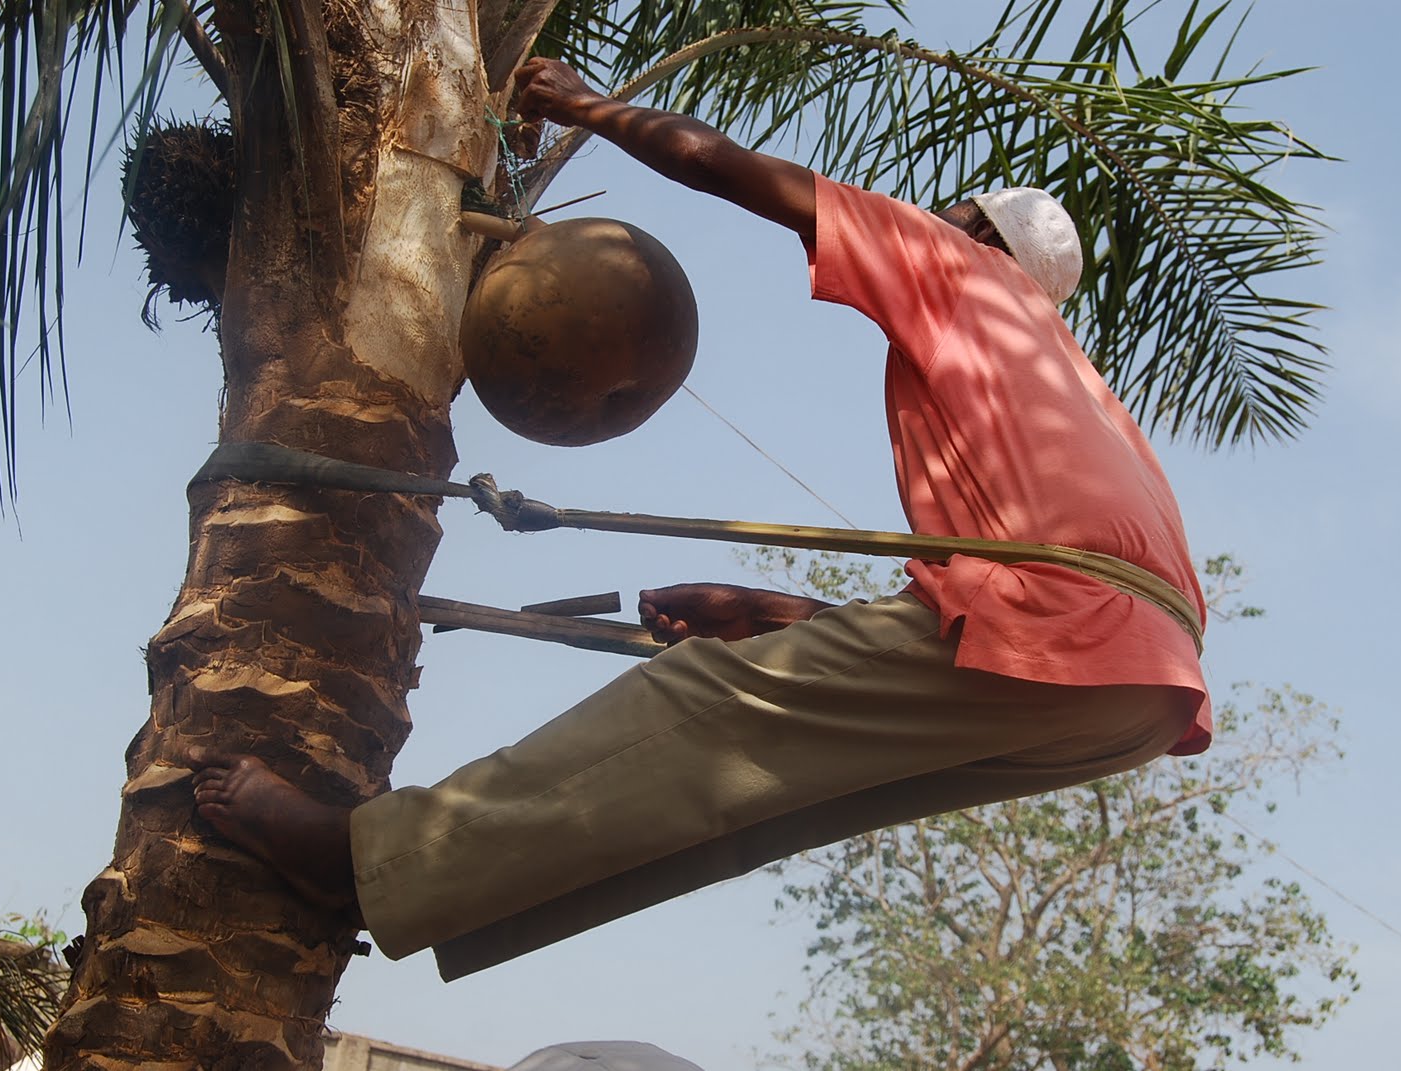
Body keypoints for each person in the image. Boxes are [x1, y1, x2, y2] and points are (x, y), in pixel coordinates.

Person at [189, 57, 1212, 982]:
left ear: (983, 237)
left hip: (1067, 631)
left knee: (697, 714)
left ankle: (360, 862)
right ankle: (404, 884)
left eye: (949, 212)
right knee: (756, 790)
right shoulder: (1070, 381)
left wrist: (588, 105)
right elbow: (989, 621)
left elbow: (725, 166)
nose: (924, 218)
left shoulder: (962, 270)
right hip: (1140, 693)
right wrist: (775, 613)